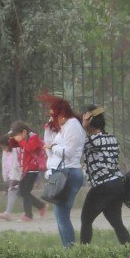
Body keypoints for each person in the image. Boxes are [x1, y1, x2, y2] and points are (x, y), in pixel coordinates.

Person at [39, 94, 87, 247]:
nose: (53, 118)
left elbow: (69, 152)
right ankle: (67, 247)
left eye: (54, 115)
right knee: (60, 215)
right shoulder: (66, 126)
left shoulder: (72, 125)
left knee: (62, 216)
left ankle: (69, 249)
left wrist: (53, 147)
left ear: (62, 114)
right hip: (64, 172)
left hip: (69, 173)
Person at [80, 105, 130, 245]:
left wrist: (83, 127)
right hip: (118, 184)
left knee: (86, 220)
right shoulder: (112, 138)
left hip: (103, 185)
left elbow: (76, 146)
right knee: (116, 222)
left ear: (89, 122)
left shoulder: (91, 141)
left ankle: (83, 253)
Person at [8, 121, 48, 222]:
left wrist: (20, 140)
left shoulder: (33, 137)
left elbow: (30, 148)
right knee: (22, 192)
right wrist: (12, 138)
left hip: (33, 169)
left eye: (17, 134)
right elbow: (13, 145)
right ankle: (40, 206)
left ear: (24, 132)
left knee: (24, 192)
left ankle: (29, 215)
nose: (17, 137)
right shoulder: (24, 138)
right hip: (27, 169)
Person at [0, 135, 22, 221]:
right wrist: (5, 176)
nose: (3, 149)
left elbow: (18, 163)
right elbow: (4, 165)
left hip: (17, 175)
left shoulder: (16, 150)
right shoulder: (5, 153)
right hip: (11, 176)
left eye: (4, 147)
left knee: (12, 192)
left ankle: (8, 213)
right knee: (20, 194)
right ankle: (39, 206)